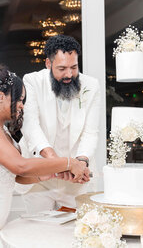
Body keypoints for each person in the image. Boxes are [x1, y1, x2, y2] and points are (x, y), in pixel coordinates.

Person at [0, 64, 90, 248]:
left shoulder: (1, 130)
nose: (21, 105)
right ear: (1, 96)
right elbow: (20, 166)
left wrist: (51, 174)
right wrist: (68, 162)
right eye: (19, 99)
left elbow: (17, 176)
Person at [17, 35, 101, 214]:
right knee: (38, 232)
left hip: (75, 178)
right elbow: (30, 125)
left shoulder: (92, 86)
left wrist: (80, 163)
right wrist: (58, 163)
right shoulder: (32, 81)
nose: (69, 74)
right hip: (39, 176)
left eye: (74, 67)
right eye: (62, 68)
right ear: (48, 63)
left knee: (75, 231)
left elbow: (90, 132)